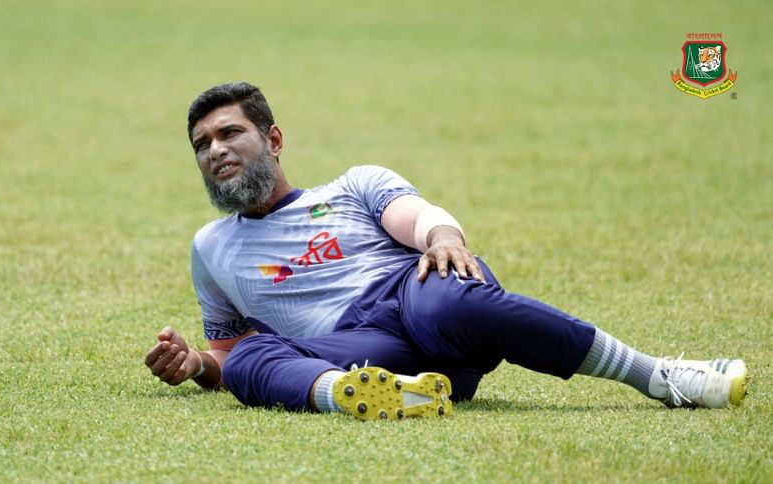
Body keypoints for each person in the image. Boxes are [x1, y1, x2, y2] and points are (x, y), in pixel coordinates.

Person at [144, 82, 748, 420]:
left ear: (273, 139)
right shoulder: (211, 248)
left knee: (446, 303)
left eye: (230, 133)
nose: (216, 150)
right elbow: (226, 354)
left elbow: (421, 219)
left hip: (417, 295)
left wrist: (444, 239)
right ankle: (374, 397)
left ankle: (658, 375)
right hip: (362, 351)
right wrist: (198, 364)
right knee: (250, 360)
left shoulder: (353, 185)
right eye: (202, 144)